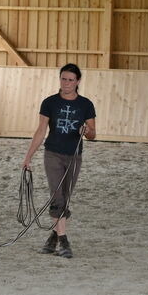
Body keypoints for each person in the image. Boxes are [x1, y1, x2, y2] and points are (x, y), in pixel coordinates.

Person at [23, 63, 96, 258]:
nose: (66, 83)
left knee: (65, 196)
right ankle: (64, 241)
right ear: (60, 79)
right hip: (52, 154)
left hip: (74, 156)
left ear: (78, 81)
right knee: (57, 196)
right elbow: (41, 131)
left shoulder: (86, 105)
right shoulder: (50, 102)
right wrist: (28, 156)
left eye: (71, 80)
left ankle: (53, 237)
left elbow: (93, 134)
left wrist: (86, 131)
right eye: (63, 79)